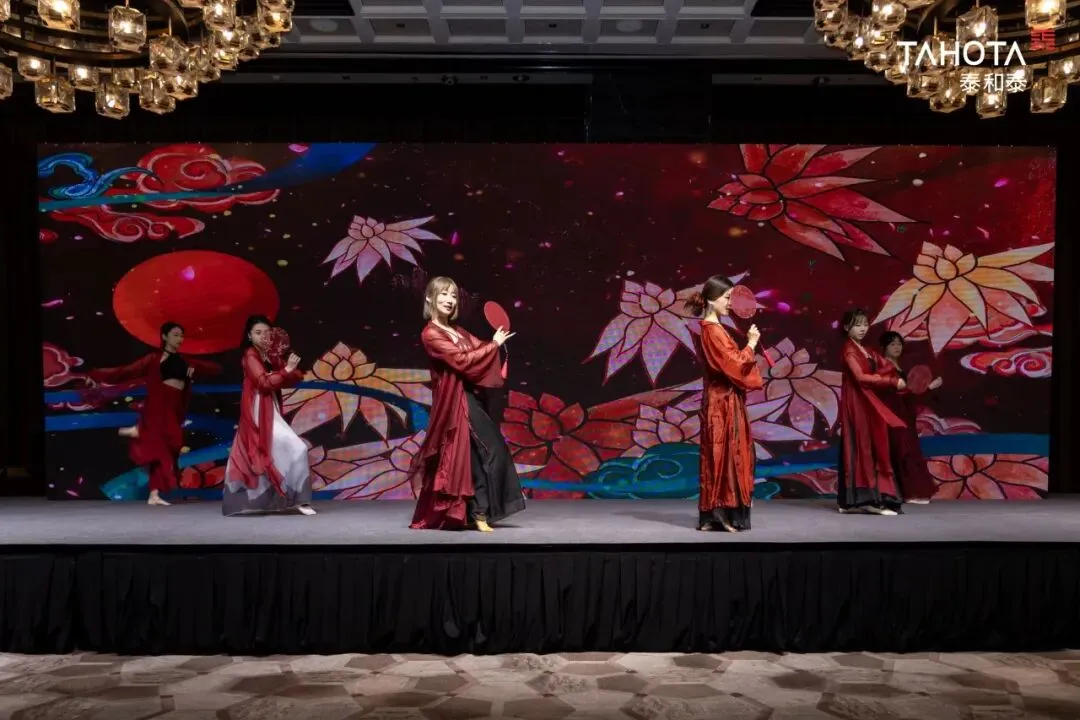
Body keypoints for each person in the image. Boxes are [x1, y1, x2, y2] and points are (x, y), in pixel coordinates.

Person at [408, 276, 526, 531]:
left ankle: (477, 513)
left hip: (470, 397)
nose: (450, 300)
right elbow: (462, 360)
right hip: (455, 400)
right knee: (487, 451)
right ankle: (478, 512)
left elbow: (477, 349)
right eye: (444, 294)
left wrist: (495, 343)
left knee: (475, 454)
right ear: (430, 298)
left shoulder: (457, 330)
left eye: (453, 295)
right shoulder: (431, 333)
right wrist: (493, 345)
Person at [89, 322, 219, 506]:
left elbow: (214, 368)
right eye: (175, 335)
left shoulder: (185, 361)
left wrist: (194, 370)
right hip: (159, 405)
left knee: (173, 445)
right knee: (160, 449)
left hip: (175, 408)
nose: (179, 339)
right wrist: (96, 374)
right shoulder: (154, 359)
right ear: (164, 336)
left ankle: (139, 432)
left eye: (181, 335)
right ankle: (154, 493)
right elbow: (126, 371)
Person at [684, 275, 763, 532]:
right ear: (711, 299)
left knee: (722, 454)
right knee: (725, 454)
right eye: (727, 298)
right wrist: (751, 344)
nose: (730, 303)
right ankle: (722, 514)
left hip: (723, 399)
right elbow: (734, 365)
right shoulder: (712, 330)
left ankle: (715, 515)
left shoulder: (712, 329)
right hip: (722, 402)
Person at [222, 315, 315, 517]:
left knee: (278, 452)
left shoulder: (269, 356)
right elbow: (264, 383)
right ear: (249, 336)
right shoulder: (250, 355)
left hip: (269, 408)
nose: (264, 336)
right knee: (294, 448)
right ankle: (298, 499)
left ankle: (290, 499)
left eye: (267, 333)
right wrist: (286, 370)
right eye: (258, 333)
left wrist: (289, 369)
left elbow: (292, 378)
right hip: (258, 410)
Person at [837, 309, 906, 516]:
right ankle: (867, 500)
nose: (862, 328)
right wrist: (891, 381)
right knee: (863, 448)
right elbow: (861, 377)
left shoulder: (865, 349)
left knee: (871, 448)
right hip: (858, 403)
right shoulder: (849, 350)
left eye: (865, 324)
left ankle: (852, 501)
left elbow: (881, 366)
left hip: (868, 402)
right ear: (846, 327)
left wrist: (892, 374)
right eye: (857, 325)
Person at [878, 331, 942, 504]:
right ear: (884, 347)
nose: (897, 347)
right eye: (892, 344)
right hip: (893, 416)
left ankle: (907, 492)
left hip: (905, 415)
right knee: (903, 451)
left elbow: (908, 395)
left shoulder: (898, 367)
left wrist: (926, 389)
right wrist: (928, 388)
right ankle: (909, 492)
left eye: (899, 344)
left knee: (907, 450)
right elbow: (897, 394)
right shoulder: (884, 368)